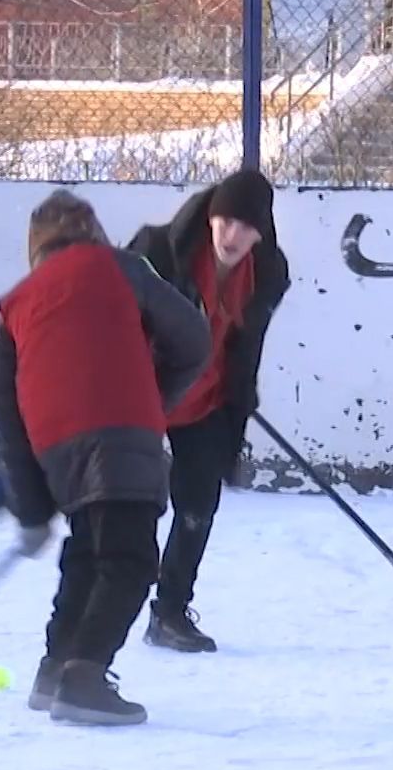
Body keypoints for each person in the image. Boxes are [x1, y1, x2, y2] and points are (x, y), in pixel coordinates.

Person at [0, 189, 212, 725]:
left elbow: (4, 410)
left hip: (54, 447)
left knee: (89, 554)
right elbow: (195, 340)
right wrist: (151, 401)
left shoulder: (13, 304)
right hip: (122, 435)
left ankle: (56, 667)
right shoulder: (123, 270)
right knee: (128, 561)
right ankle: (83, 678)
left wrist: (33, 505)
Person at [125, 169, 291, 652]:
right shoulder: (157, 251)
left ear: (262, 232)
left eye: (247, 226)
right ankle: (99, 613)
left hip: (208, 398)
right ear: (210, 217)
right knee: (128, 504)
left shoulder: (267, 272)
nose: (233, 235)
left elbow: (247, 337)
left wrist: (242, 390)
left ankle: (170, 612)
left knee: (198, 506)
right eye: (226, 221)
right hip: (144, 395)